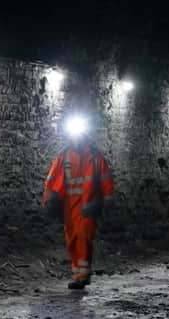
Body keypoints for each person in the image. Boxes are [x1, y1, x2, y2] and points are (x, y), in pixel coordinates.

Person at [43, 114, 114, 290]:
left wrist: (107, 199)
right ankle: (77, 274)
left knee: (84, 237)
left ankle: (83, 274)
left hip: (89, 205)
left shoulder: (95, 156)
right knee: (73, 239)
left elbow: (105, 178)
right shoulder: (64, 156)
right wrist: (50, 199)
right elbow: (53, 180)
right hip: (70, 206)